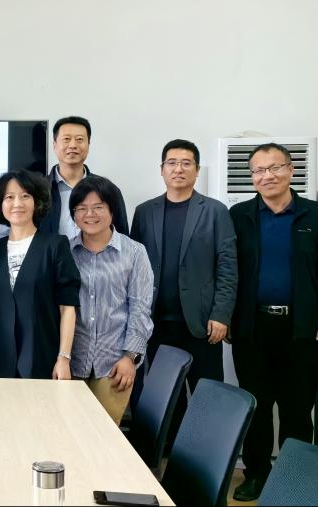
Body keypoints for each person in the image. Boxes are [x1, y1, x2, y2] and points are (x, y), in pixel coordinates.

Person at [229, 143, 318, 501]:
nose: (267, 176)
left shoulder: (315, 215)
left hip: (303, 329)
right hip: (253, 329)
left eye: (275, 167)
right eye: (259, 170)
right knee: (257, 407)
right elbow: (227, 271)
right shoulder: (239, 215)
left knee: (297, 410)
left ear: (291, 170)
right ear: (252, 177)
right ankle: (256, 474)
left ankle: (295, 478)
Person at [129, 139, 237, 430]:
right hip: (157, 325)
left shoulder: (215, 211)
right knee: (167, 400)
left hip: (202, 325)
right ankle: (168, 456)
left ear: (197, 170)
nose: (179, 169)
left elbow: (228, 267)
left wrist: (221, 314)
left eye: (186, 163)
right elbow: (134, 267)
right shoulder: (145, 212)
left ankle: (205, 454)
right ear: (162, 169)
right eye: (172, 163)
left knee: (208, 400)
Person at [0, 170, 80, 379]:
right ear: (0, 204)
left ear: (37, 202)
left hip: (43, 357)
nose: (17, 203)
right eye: (9, 197)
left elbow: (67, 307)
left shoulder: (55, 246)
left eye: (25, 196)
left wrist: (64, 358)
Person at [68, 175, 153, 425]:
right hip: (71, 362)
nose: (89, 214)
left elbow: (140, 308)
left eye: (98, 207)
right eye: (81, 208)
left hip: (115, 365)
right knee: (69, 434)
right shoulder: (65, 252)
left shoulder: (135, 252)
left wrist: (130, 358)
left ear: (112, 210)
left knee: (103, 438)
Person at [42, 116, 130, 240]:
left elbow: (121, 237)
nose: (73, 145)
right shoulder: (38, 191)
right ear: (54, 145)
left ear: (88, 145)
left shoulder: (109, 190)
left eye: (79, 139)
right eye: (66, 139)